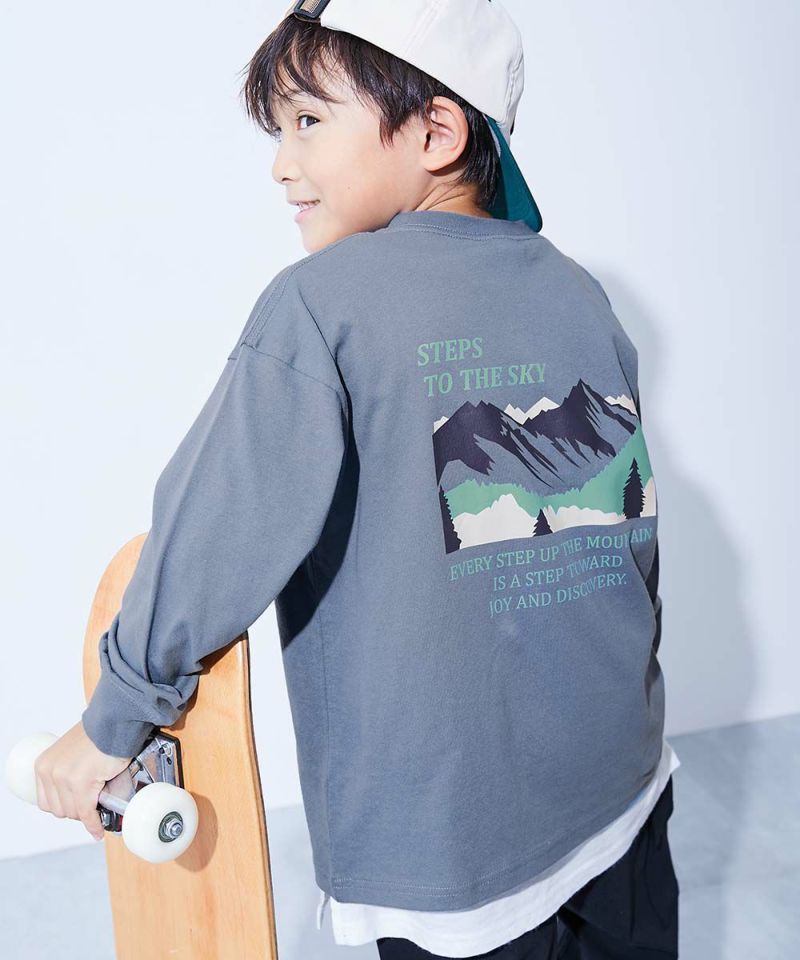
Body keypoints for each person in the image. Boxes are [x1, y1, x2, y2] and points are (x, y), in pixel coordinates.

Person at [34, 1, 680, 957]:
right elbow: (634, 548)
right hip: (625, 787)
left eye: (307, 121)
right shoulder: (577, 293)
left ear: (436, 131)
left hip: (455, 852)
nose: (280, 163)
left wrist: (110, 722)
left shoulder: (320, 306)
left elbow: (217, 531)